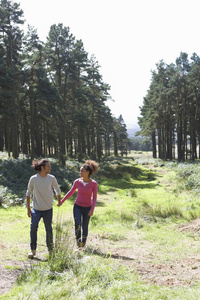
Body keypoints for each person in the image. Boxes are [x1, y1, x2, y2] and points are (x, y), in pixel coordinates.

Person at [58, 160, 98, 249]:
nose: (80, 173)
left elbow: (94, 197)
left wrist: (92, 209)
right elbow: (71, 192)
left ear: (87, 172)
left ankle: (83, 243)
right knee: (77, 224)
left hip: (88, 207)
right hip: (77, 206)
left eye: (82, 171)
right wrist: (62, 201)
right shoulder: (77, 181)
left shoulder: (93, 184)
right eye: (80, 171)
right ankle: (78, 243)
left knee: (85, 226)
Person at [26, 159, 61, 258]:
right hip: (36, 209)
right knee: (33, 227)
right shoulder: (33, 179)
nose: (50, 168)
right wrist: (28, 209)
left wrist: (59, 201)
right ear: (42, 167)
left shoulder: (51, 178)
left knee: (49, 229)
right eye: (48, 166)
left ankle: (51, 250)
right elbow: (28, 193)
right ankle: (32, 250)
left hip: (48, 208)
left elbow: (57, 189)